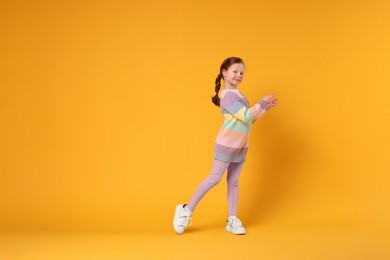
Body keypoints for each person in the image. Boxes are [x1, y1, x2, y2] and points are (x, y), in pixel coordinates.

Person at [173, 57, 278, 235]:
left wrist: (266, 106)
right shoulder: (227, 96)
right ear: (224, 73)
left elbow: (249, 120)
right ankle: (186, 209)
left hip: (240, 146)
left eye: (241, 72)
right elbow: (245, 115)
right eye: (235, 71)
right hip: (227, 145)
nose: (239, 75)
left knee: (234, 183)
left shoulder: (240, 95)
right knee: (214, 178)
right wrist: (261, 101)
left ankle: (232, 219)